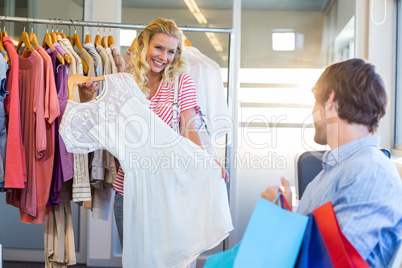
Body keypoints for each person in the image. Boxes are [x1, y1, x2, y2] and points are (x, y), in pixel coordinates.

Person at [78, 17, 228, 253]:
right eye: (158, 47)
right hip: (128, 190)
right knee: (135, 259)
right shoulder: (124, 82)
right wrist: (87, 100)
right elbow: (101, 129)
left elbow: (190, 128)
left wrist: (208, 160)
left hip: (169, 190)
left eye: (171, 51)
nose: (163, 57)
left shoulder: (181, 82)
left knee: (171, 258)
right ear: (144, 45)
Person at [261, 58, 402, 267]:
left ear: (330, 101)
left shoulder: (371, 173)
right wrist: (287, 213)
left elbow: (330, 263)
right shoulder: (331, 172)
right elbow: (312, 249)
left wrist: (282, 218)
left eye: (315, 103)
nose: (312, 113)